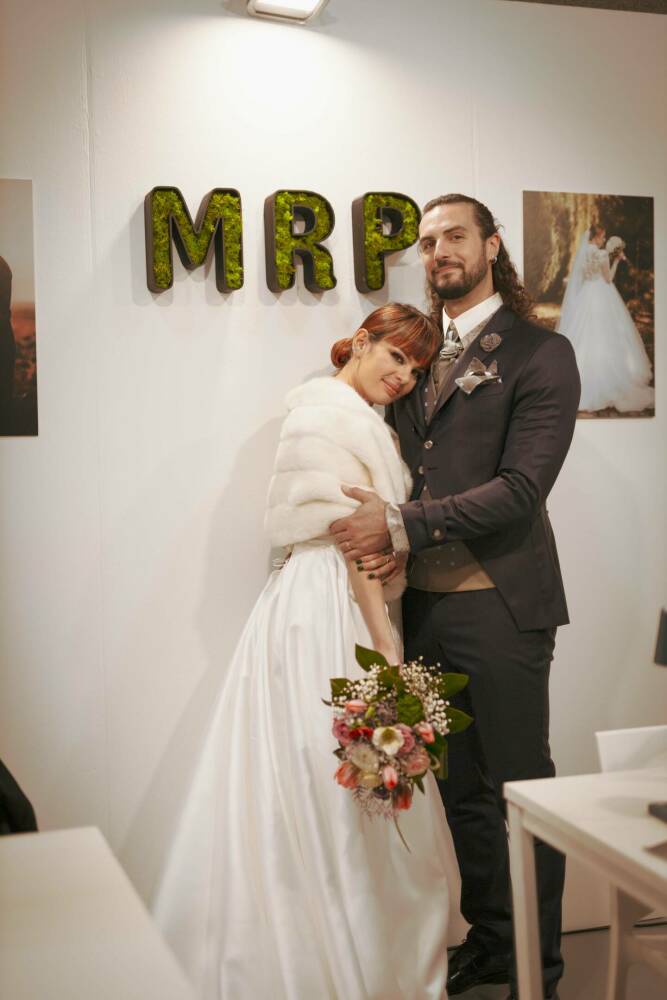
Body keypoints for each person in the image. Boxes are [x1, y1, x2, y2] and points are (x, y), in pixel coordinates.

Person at [152, 303, 459, 1000]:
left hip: (314, 600)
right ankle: (340, 949)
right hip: (330, 602)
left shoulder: (346, 418)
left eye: (416, 369)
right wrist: (386, 646)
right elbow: (351, 542)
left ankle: (324, 941)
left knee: (319, 770)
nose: (404, 377)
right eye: (396, 357)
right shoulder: (331, 419)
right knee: (339, 772)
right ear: (360, 342)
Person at [331, 195, 581, 1000]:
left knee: (522, 792)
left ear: (490, 245)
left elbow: (520, 489)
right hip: (424, 609)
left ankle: (539, 969)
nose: (439, 250)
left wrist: (398, 524)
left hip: (502, 607)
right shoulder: (413, 352)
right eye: (427, 240)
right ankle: (495, 944)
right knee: (458, 793)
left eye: (455, 236)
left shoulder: (542, 353)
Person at [557, 224, 654, 413]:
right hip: (601, 294)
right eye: (602, 236)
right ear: (596, 236)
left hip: (586, 294)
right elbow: (608, 279)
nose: (603, 239)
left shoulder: (584, 252)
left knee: (584, 333)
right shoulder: (601, 254)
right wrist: (616, 261)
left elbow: (582, 277)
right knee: (606, 334)